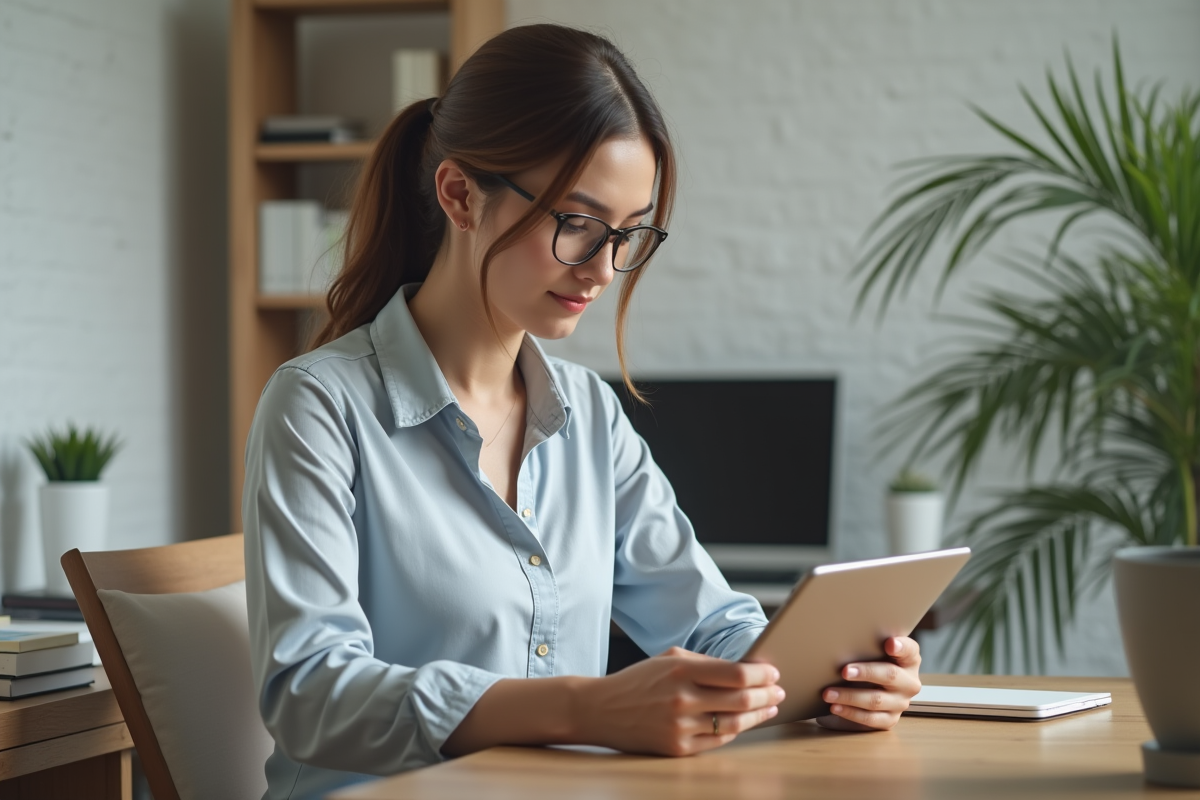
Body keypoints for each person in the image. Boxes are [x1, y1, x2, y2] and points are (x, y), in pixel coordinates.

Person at [243, 22, 922, 800]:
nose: (603, 269)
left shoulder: (590, 416)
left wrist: (837, 677)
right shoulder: (318, 405)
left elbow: (707, 624)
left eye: (629, 235)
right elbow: (310, 694)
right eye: (578, 223)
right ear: (461, 195)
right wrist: (585, 708)